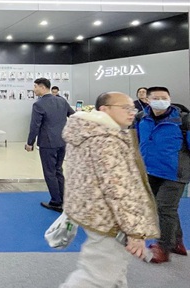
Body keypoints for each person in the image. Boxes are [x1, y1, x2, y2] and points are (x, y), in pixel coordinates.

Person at [60, 92, 159, 287]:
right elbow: (118, 190)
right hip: (110, 220)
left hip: (95, 213)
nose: (132, 112)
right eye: (125, 108)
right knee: (96, 277)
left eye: (133, 108)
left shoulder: (86, 132)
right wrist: (134, 231)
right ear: (104, 109)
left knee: (114, 274)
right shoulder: (106, 140)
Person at [135, 86, 189, 263]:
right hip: (151, 170)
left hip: (175, 173)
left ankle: (163, 248)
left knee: (165, 208)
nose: (160, 101)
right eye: (156, 98)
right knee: (163, 208)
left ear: (170, 99)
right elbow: (138, 142)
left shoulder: (183, 120)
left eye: (164, 97)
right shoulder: (141, 118)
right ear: (148, 100)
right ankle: (176, 243)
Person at [25, 78, 74, 212]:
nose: (34, 89)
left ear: (42, 87)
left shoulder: (39, 104)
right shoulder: (62, 101)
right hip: (62, 141)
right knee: (58, 170)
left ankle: (56, 202)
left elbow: (35, 126)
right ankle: (64, 199)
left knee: (50, 172)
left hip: (48, 143)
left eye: (35, 86)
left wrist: (30, 143)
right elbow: (73, 115)